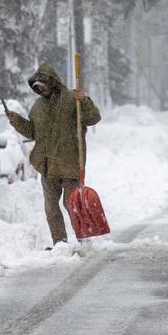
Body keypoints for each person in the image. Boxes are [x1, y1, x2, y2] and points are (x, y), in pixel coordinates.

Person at [8, 62, 101, 246]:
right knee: (51, 209)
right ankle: (59, 242)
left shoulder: (71, 99)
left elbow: (93, 118)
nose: (40, 89)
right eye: (36, 87)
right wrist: (17, 121)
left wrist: (84, 100)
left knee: (72, 205)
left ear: (52, 82)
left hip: (70, 165)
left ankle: (83, 238)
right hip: (47, 166)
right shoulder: (37, 107)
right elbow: (33, 132)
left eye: (42, 85)